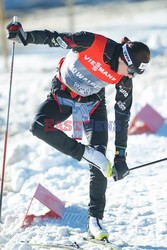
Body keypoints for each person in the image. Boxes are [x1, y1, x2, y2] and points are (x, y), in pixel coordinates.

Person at [6, 20, 150, 240]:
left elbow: (122, 116)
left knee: (101, 159)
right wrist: (25, 37)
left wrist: (120, 156)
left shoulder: (124, 78)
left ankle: (95, 220)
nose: (131, 76)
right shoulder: (92, 42)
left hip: (92, 105)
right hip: (62, 96)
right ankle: (85, 154)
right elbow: (55, 38)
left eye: (136, 74)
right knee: (38, 126)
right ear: (123, 58)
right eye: (131, 71)